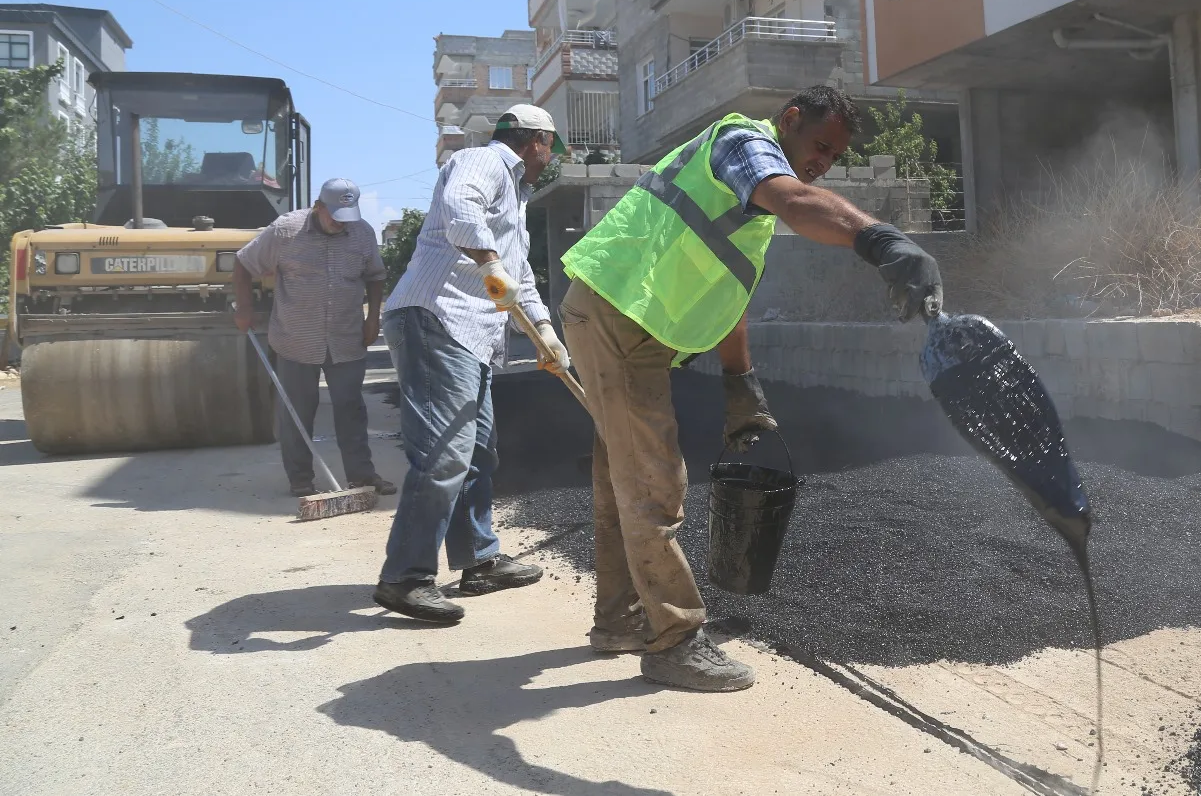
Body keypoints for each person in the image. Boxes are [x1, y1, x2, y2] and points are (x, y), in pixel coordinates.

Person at [560, 84, 942, 692]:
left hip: (624, 320)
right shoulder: (744, 145)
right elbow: (795, 199)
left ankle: (620, 620)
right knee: (655, 483)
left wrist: (741, 382)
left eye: (833, 156)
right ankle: (675, 641)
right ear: (789, 120)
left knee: (620, 475)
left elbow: (728, 292)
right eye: (818, 144)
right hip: (617, 315)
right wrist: (879, 238)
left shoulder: (748, 205)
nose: (821, 162)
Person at [373, 105, 571, 624]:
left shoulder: (517, 200)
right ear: (535, 142)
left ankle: (479, 561)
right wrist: (487, 262)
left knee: (479, 452)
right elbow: (462, 208)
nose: (549, 161)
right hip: (436, 317)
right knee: (444, 455)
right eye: (550, 149)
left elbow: (519, 277)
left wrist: (546, 334)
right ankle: (405, 578)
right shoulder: (485, 161)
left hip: (471, 333)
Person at [234, 178, 394, 498]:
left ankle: (361, 476)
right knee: (296, 411)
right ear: (318, 207)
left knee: (350, 409)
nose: (340, 222)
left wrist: (373, 318)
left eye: (346, 215)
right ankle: (301, 479)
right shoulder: (285, 230)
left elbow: (375, 277)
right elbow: (243, 263)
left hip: (347, 337)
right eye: (334, 214)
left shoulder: (362, 233)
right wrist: (245, 308)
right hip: (295, 338)